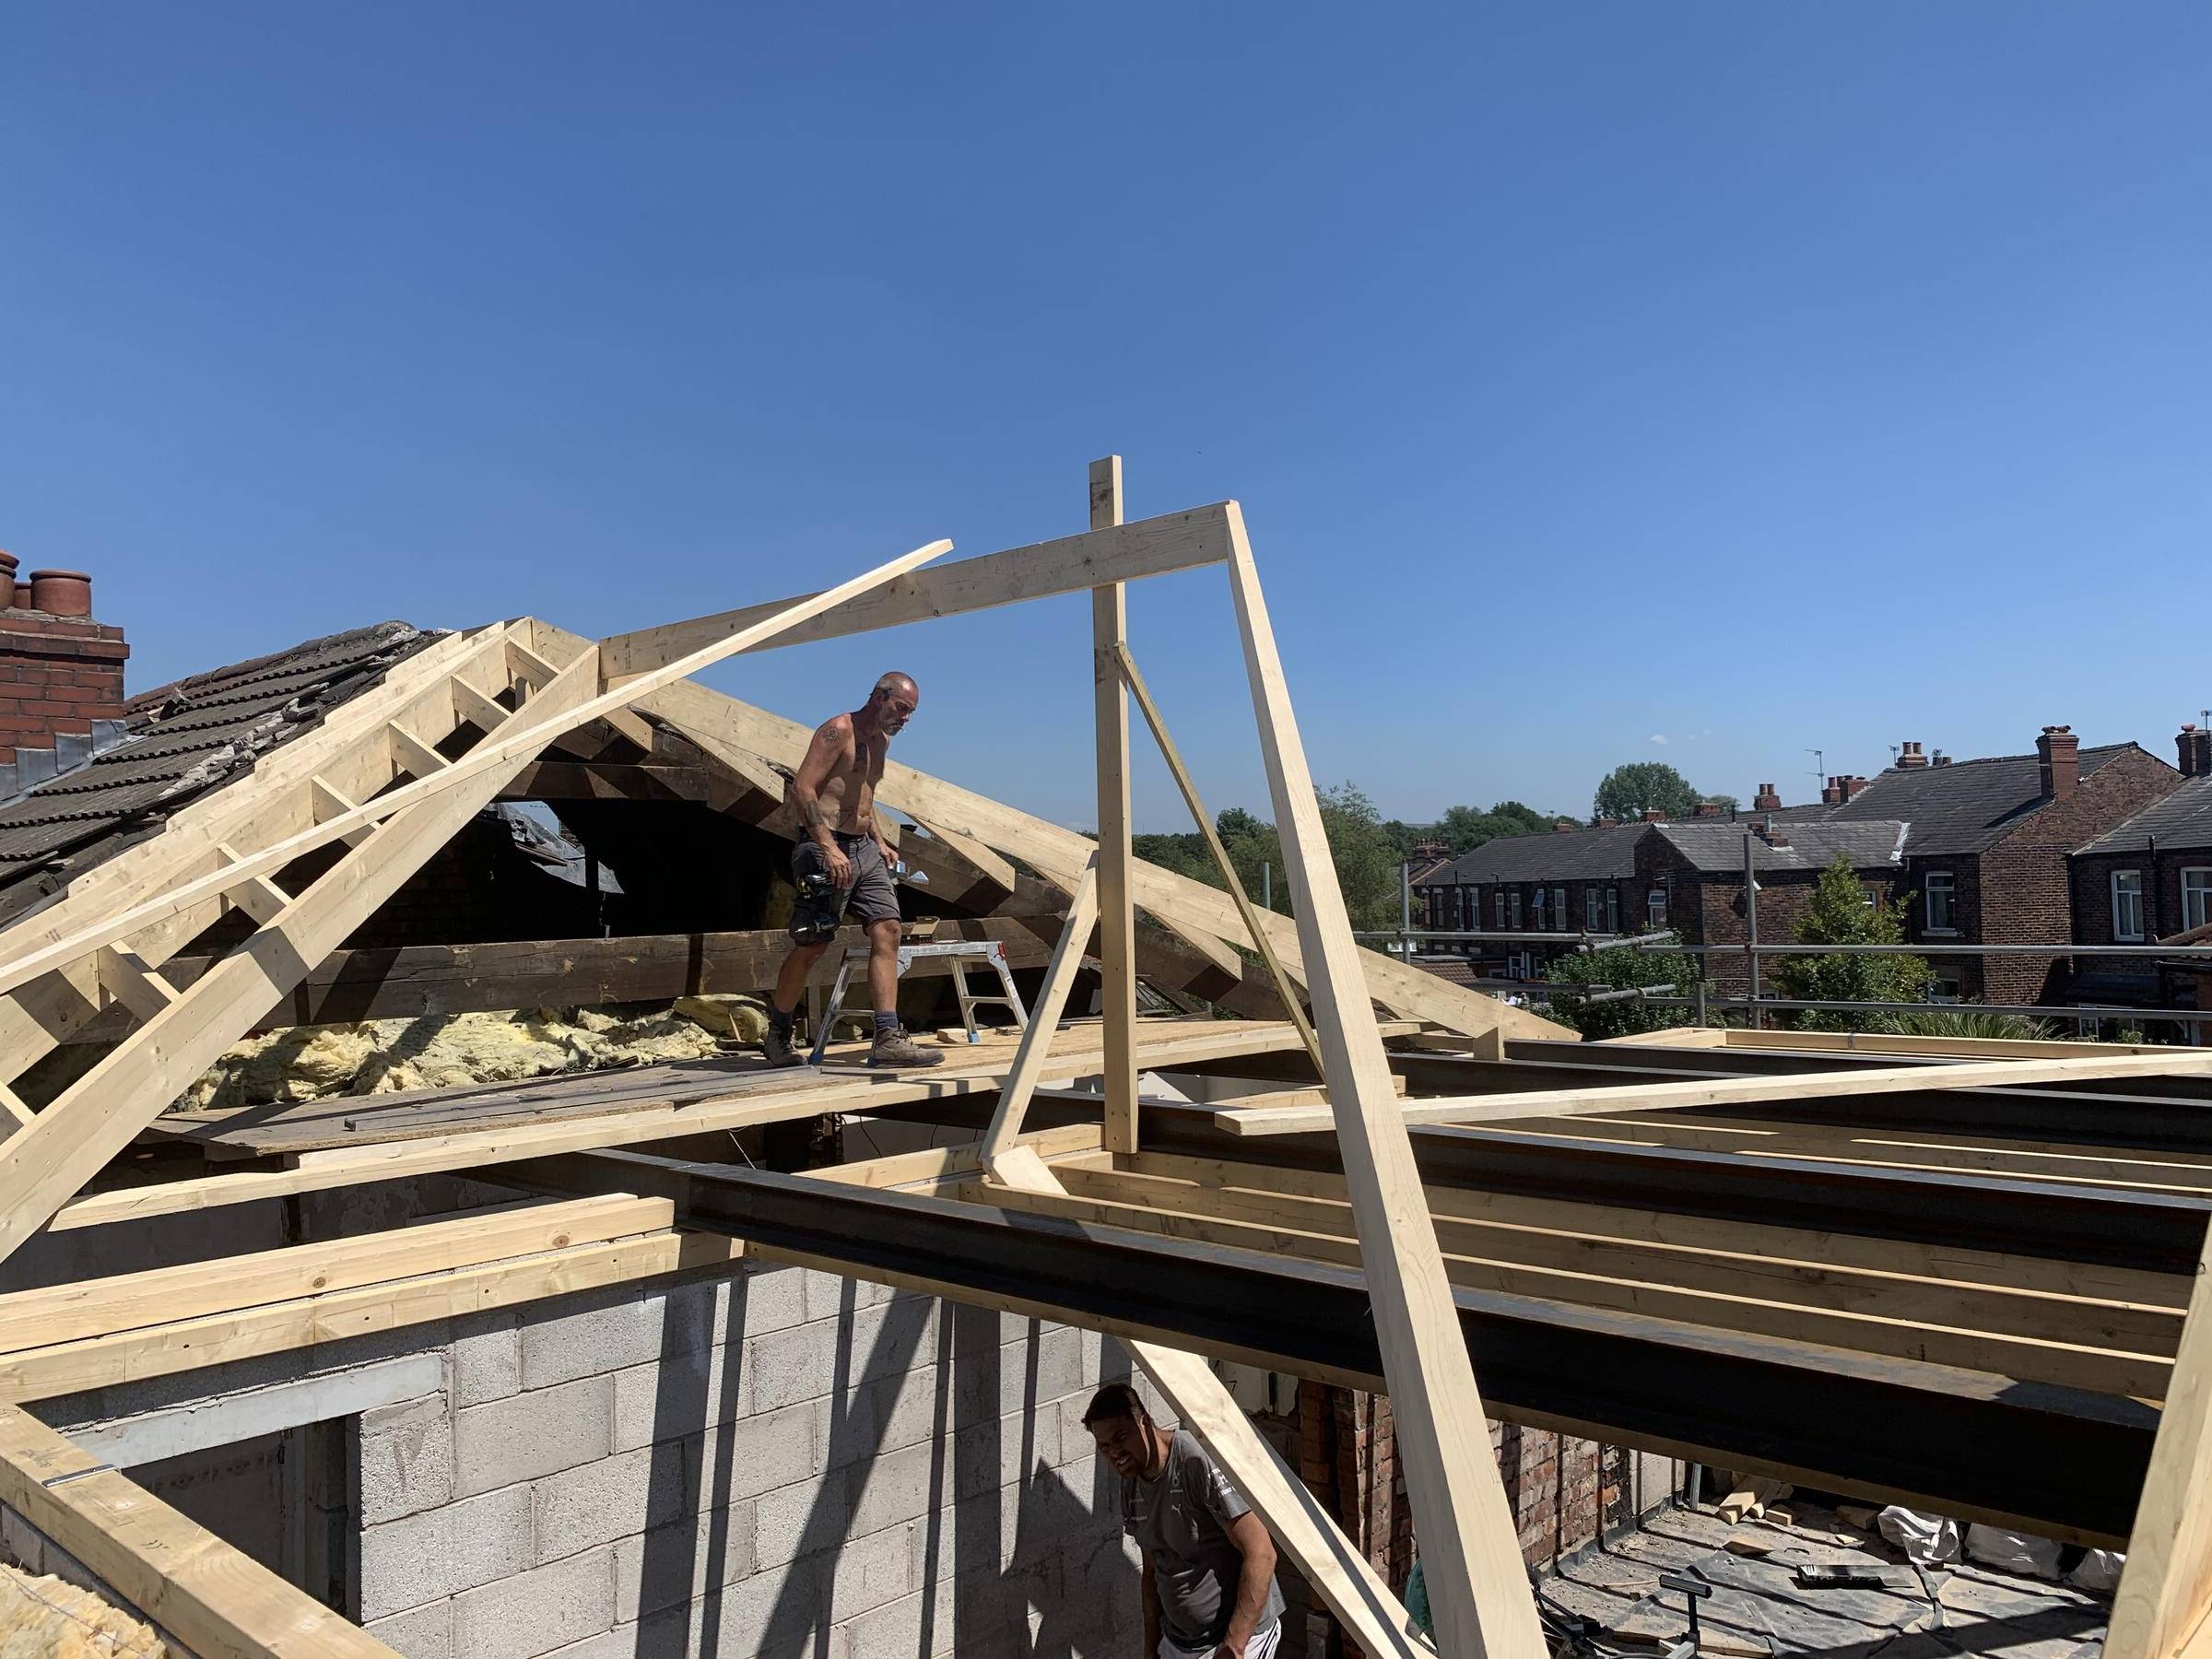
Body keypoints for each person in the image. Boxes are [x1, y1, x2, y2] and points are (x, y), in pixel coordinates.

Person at [760, 672, 943, 1070]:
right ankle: (777, 1035)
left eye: (911, 713)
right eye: (901, 708)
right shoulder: (837, 731)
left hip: (863, 849)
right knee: (812, 946)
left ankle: (887, 1038)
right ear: (880, 696)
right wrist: (827, 845)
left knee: (888, 929)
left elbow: (863, 795)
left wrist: (878, 838)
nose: (905, 719)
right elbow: (804, 788)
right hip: (825, 849)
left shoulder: (882, 742)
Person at [1083, 1382, 1284, 1659]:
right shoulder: (1130, 1481)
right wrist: (1151, 1648)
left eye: (1121, 1437)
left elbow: (1262, 1553)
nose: (1115, 1452)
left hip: (1237, 1640)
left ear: (1145, 1422)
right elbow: (1153, 1572)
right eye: (1104, 1447)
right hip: (1180, 1644)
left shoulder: (1194, 1461)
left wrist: (1235, 1646)